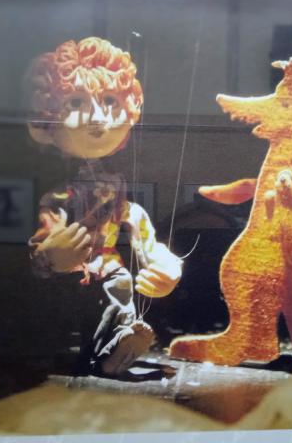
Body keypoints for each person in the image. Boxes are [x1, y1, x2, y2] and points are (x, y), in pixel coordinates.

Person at [25, 37, 182, 376]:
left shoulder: (114, 188)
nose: (98, 117)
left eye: (110, 101)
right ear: (45, 123)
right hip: (71, 275)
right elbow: (44, 238)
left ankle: (117, 345)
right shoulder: (58, 196)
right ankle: (99, 349)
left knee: (120, 285)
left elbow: (136, 221)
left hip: (107, 265)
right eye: (76, 102)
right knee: (73, 306)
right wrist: (51, 256)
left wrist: (163, 262)